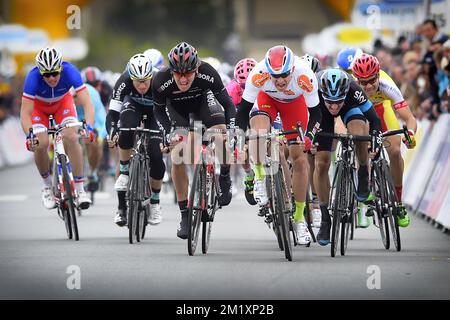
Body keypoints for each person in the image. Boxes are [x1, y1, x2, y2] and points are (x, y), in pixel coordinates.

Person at [235, 45, 322, 245]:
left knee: (299, 158)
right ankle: (259, 177)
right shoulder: (258, 74)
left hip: (295, 105)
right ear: (268, 71)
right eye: (275, 76)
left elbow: (317, 114)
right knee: (258, 132)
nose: (281, 81)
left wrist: (308, 137)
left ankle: (299, 219)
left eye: (284, 75)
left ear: (292, 69)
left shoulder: (305, 76)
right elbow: (243, 111)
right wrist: (237, 137)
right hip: (268, 101)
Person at [152, 42, 236, 239]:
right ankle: (184, 215)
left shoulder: (208, 72)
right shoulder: (161, 80)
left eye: (188, 73)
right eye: (178, 74)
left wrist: (231, 132)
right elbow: (158, 111)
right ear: (171, 71)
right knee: (178, 154)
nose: (182, 79)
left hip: (203, 104)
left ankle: (224, 175)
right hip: (177, 111)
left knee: (219, 133)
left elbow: (228, 104)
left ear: (196, 68)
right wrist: (167, 133)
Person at [312, 68, 382, 245]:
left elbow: (374, 121)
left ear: (345, 93)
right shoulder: (313, 93)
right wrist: (309, 138)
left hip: (351, 108)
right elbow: (308, 121)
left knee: (358, 131)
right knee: (321, 164)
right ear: (322, 94)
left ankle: (363, 171)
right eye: (331, 102)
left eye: (338, 102)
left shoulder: (354, 91)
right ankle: (326, 219)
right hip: (320, 114)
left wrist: (374, 140)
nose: (334, 107)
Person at [20, 47, 95, 210]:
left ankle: (81, 189)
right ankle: (47, 186)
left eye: (55, 73)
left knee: (72, 137)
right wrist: (29, 136)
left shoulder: (70, 71)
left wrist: (88, 126)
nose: (52, 78)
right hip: (39, 110)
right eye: (46, 75)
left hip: (63, 104)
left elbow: (87, 103)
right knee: (41, 143)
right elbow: (25, 113)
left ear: (61, 68)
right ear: (40, 73)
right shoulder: (32, 78)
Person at [352, 53, 417, 228]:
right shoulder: (352, 87)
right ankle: (365, 179)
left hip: (381, 109)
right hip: (361, 113)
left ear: (378, 75)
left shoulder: (387, 85)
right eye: (363, 82)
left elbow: (410, 118)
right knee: (361, 140)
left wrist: (410, 133)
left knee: (395, 151)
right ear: (356, 80)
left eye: (372, 80)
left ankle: (398, 202)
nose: (368, 86)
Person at [106, 53, 165, 227]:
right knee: (125, 128)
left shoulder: (160, 81)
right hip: (132, 106)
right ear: (130, 77)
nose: (142, 85)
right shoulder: (123, 81)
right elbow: (112, 114)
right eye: (137, 81)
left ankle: (154, 202)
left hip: (156, 112)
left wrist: (167, 134)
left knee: (155, 154)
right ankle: (124, 174)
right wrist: (112, 132)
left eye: (145, 80)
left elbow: (168, 111)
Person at [226, 58, 258, 205]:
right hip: (239, 116)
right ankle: (249, 174)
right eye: (243, 87)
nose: (246, 90)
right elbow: (229, 115)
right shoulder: (232, 90)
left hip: (258, 113)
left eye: (249, 86)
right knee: (240, 150)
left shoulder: (263, 86)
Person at [72, 83, 107, 192]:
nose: (74, 100)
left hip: (91, 117)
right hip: (74, 118)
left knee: (95, 141)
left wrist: (100, 137)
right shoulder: (66, 99)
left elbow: (102, 120)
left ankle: (93, 171)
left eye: (76, 97)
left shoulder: (91, 95)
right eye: (71, 98)